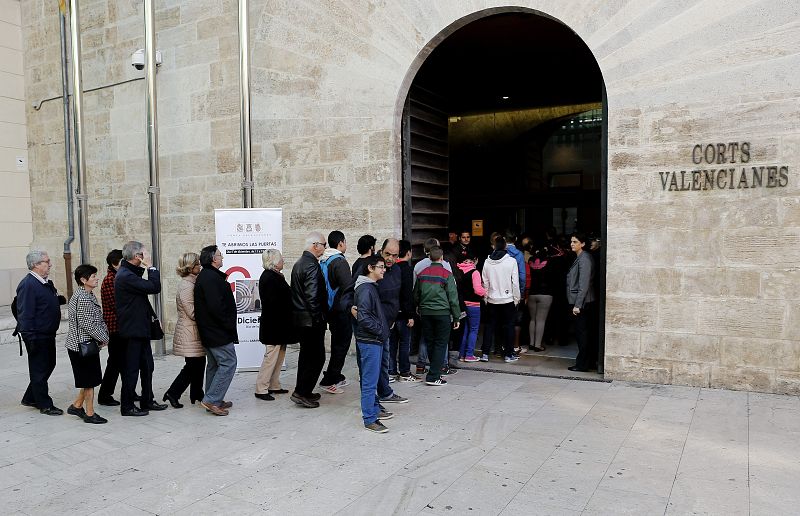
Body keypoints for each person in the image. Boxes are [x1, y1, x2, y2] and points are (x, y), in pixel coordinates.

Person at [115, 241, 167, 416]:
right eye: (144, 254)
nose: (147, 256)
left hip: (140, 328)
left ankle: (147, 400)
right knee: (131, 369)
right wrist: (151, 267)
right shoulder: (125, 276)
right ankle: (127, 406)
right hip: (132, 330)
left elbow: (142, 300)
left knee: (147, 366)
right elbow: (153, 287)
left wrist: (154, 318)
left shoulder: (130, 273)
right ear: (137, 256)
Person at [18, 249, 65, 415]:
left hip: (47, 333)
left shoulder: (43, 281)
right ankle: (44, 404)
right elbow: (26, 313)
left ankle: (31, 396)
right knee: (39, 369)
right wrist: (30, 337)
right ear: (36, 265)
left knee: (48, 365)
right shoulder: (28, 284)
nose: (50, 264)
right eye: (47, 261)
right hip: (37, 335)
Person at [194, 245, 238, 416]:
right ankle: (212, 399)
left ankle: (213, 398)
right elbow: (216, 307)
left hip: (211, 331)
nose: (222, 258)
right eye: (220, 255)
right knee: (228, 362)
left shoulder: (208, 276)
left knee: (214, 364)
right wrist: (227, 325)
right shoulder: (210, 278)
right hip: (217, 331)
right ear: (213, 259)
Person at [65, 264, 110, 424]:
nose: (96, 278)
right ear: (83, 280)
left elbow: (97, 319)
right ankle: (90, 414)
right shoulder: (82, 298)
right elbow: (88, 325)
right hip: (81, 347)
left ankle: (77, 406)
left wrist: (102, 335)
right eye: (93, 276)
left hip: (87, 345)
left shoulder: (87, 294)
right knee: (89, 381)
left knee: (89, 379)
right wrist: (104, 338)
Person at [353, 254, 392, 433]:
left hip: (373, 339)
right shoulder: (365, 289)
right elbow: (364, 317)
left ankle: (374, 409)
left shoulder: (369, 287)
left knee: (372, 379)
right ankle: (369, 418)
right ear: (370, 268)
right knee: (369, 381)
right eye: (381, 267)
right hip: (370, 340)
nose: (384, 270)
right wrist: (381, 330)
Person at [290, 232, 328, 408]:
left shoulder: (300, 263)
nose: (325, 248)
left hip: (302, 319)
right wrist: (319, 318)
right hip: (311, 321)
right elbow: (312, 296)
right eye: (324, 244)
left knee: (306, 357)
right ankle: (302, 392)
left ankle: (303, 390)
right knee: (316, 357)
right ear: (315, 245)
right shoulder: (311, 265)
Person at [163, 252, 206, 408]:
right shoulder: (187, 286)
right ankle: (173, 393)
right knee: (192, 366)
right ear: (191, 267)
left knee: (199, 363)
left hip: (192, 331)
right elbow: (192, 312)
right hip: (190, 331)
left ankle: (197, 393)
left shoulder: (192, 283)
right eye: (197, 264)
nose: (200, 266)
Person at [413, 246, 460, 386]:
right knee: (440, 343)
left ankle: (433, 371)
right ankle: (434, 376)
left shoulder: (422, 273)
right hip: (442, 313)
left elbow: (416, 294)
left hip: (426, 313)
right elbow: (453, 297)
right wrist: (456, 317)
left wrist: (418, 306)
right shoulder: (446, 274)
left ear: (429, 258)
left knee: (431, 342)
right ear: (442, 258)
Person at [255, 249, 297, 400]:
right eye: (281, 259)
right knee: (271, 357)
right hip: (274, 325)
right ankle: (261, 388)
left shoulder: (275, 276)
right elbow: (275, 303)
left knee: (279, 356)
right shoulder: (270, 277)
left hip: (280, 325)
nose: (283, 261)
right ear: (273, 262)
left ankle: (274, 384)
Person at [374, 238, 409, 404]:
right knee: (373, 365)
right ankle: (373, 401)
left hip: (389, 323)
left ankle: (385, 392)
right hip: (374, 326)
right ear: (381, 251)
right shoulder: (371, 266)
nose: (390, 258)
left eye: (394, 256)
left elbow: (397, 295)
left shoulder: (396, 270)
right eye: (387, 254)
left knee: (385, 362)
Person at [319, 231, 354, 394]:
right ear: (341, 243)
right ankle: (329, 380)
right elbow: (348, 287)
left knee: (336, 344)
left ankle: (336, 375)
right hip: (340, 311)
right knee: (341, 345)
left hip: (329, 309)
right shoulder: (339, 261)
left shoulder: (325, 260)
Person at [481, 236, 521, 363]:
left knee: (489, 326)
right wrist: (517, 298)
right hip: (508, 299)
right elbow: (515, 282)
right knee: (509, 326)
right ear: (505, 247)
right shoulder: (511, 261)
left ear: (494, 246)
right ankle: (509, 354)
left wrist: (486, 297)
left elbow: (485, 283)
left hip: (492, 299)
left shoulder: (487, 262)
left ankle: (485, 354)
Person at [567, 232, 597, 372]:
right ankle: (586, 362)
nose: (572, 244)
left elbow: (583, 284)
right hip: (583, 301)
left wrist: (577, 305)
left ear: (583, 244)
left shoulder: (584, 258)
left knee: (582, 334)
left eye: (575, 241)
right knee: (583, 333)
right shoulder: (581, 257)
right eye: (571, 241)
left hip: (583, 303)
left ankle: (582, 364)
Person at [389, 239, 417, 382]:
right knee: (405, 344)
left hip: (392, 312)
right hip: (403, 313)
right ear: (408, 253)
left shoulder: (392, 268)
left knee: (392, 344)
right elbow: (407, 294)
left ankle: (391, 372)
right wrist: (410, 314)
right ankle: (405, 372)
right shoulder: (406, 269)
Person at [456, 253, 485, 362]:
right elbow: (478, 290)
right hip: (474, 305)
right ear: (475, 260)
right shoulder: (475, 272)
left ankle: (462, 354)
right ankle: (469, 354)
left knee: (465, 330)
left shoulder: (460, 271)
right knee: (473, 330)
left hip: (463, 304)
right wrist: (486, 291)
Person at [527, 246, 556, 353]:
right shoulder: (551, 261)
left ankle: (531, 343)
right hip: (546, 293)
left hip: (532, 293)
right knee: (541, 320)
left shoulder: (530, 261)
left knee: (532, 319)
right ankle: (537, 345)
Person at [504, 229, 527, 355]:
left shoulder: (499, 252)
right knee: (515, 320)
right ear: (516, 240)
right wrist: (522, 292)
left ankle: (502, 346)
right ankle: (515, 347)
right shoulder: (518, 254)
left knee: (502, 320)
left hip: (500, 290)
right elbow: (522, 276)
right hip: (514, 290)